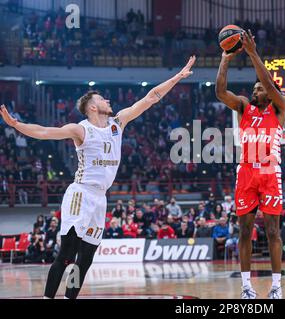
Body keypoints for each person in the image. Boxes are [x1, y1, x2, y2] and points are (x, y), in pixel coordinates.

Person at [0, 56, 196, 299]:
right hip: (81, 193)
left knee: (88, 256)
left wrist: (177, 77)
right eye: (102, 99)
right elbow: (44, 131)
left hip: (100, 198)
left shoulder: (118, 123)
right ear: (92, 107)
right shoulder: (81, 129)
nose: (108, 100)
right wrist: (16, 125)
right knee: (68, 253)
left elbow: (151, 98)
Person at [216, 30, 285, 299]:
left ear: (270, 94)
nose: (256, 90)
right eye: (254, 88)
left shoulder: (280, 107)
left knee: (272, 231)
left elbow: (269, 85)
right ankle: (247, 286)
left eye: (260, 88)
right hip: (246, 171)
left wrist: (253, 53)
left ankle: (277, 286)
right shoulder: (245, 107)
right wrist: (225, 59)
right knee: (244, 231)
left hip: (270, 171)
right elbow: (220, 92)